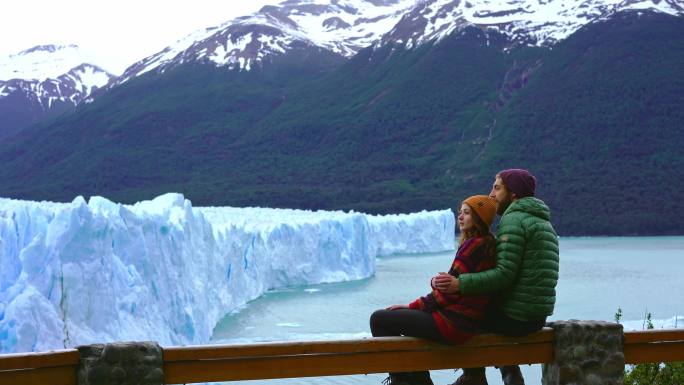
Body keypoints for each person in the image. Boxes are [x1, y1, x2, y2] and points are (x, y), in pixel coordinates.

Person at [446, 169, 560, 385]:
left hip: (517, 318)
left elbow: (503, 275)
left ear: (513, 194)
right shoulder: (544, 223)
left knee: (467, 313)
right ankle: (510, 373)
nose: (491, 194)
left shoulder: (513, 221)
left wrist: (459, 284)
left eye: (497, 188)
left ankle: (474, 377)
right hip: (537, 317)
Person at [369, 195, 498, 385]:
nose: (460, 217)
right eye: (460, 212)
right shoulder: (485, 244)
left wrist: (411, 306)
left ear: (479, 218)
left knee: (379, 319)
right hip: (466, 321)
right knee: (406, 324)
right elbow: (450, 285)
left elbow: (447, 292)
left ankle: (408, 381)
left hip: (454, 323)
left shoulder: (473, 246)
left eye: (467, 213)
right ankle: (415, 379)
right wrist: (437, 284)